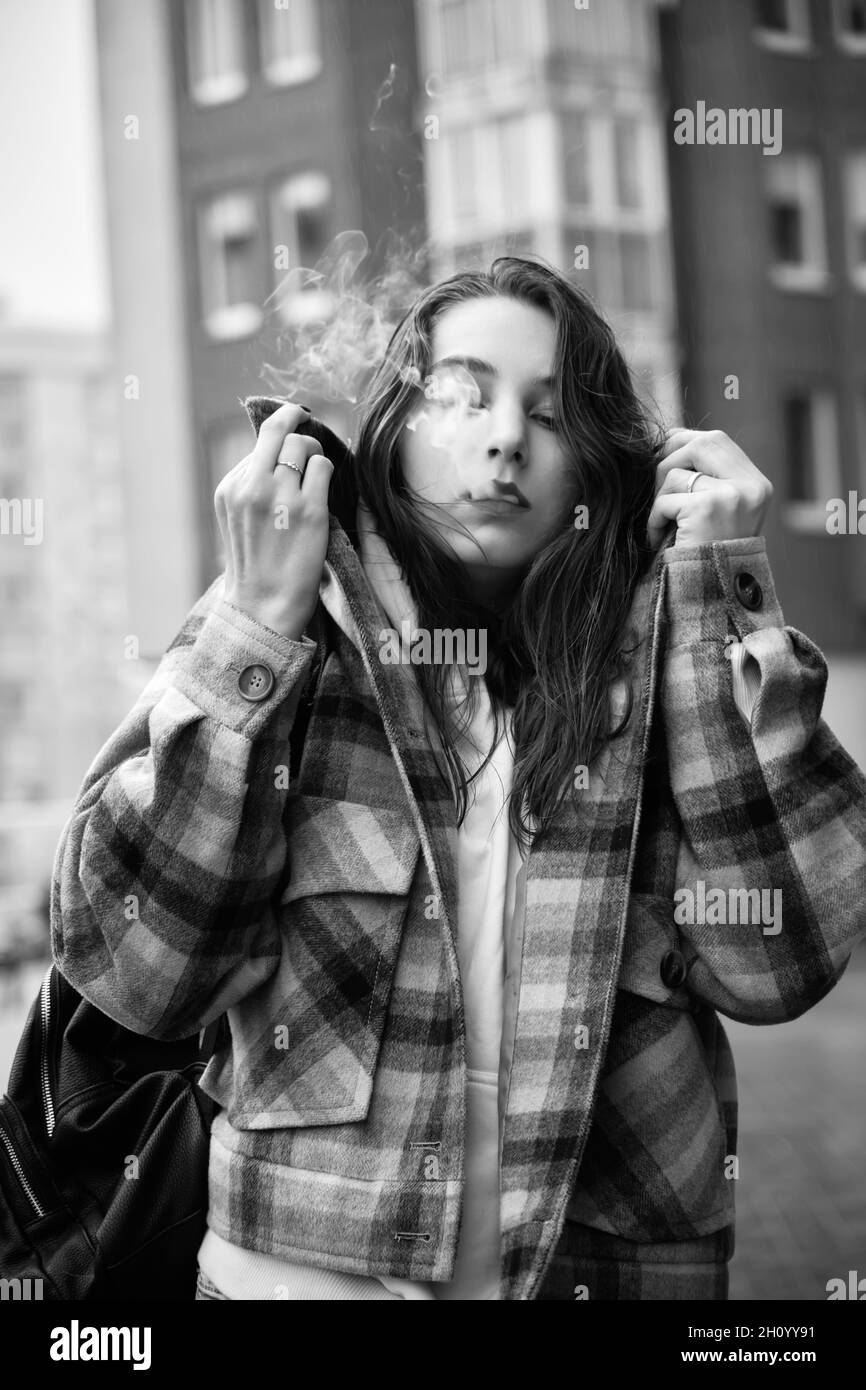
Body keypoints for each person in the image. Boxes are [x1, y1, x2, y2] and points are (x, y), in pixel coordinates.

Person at [51, 256, 866, 1301]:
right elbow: (137, 972)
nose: (502, 438)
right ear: (396, 427)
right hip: (297, 1280)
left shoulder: (672, 644)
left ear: (599, 461)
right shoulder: (297, 628)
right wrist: (250, 625)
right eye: (459, 393)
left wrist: (729, 596)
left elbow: (781, 963)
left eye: (551, 410)